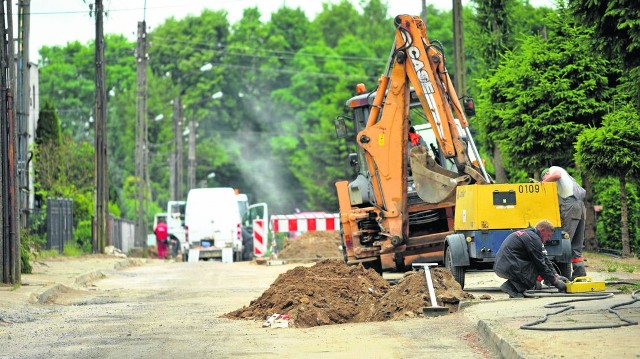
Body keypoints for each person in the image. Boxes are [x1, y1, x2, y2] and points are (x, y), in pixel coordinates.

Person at [494, 219, 568, 298]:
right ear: (543, 231)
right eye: (548, 235)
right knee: (536, 266)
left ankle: (515, 288)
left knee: (536, 274)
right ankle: (511, 287)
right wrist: (555, 282)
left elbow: (544, 258)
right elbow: (540, 264)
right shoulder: (534, 239)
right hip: (508, 266)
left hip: (503, 266)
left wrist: (555, 274)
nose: (549, 239)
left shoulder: (531, 235)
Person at [541, 166, 587, 279]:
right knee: (576, 243)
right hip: (579, 206)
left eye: (545, 177)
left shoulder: (553, 170)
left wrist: (543, 182)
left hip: (570, 206)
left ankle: (555, 277)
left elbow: (556, 175)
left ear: (547, 173)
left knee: (563, 242)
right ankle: (579, 275)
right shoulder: (569, 179)